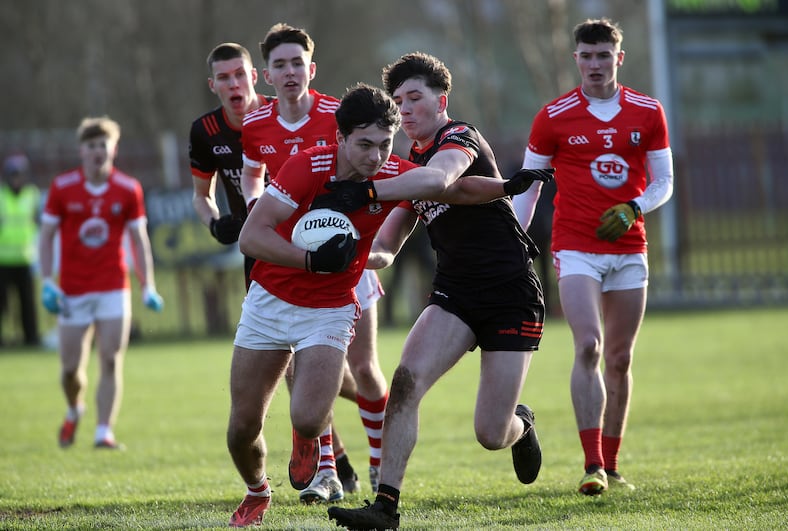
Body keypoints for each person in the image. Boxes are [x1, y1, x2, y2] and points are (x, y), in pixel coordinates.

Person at [227, 82, 535, 527]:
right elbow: (250, 238)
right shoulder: (306, 168)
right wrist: (310, 259)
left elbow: (456, 191)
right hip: (269, 301)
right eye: (364, 145)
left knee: (311, 419)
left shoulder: (392, 173)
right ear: (340, 139)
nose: (375, 157)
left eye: (384, 145)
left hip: (330, 308)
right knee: (242, 428)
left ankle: (307, 438)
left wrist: (507, 185)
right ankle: (257, 492)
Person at [327, 52, 551, 531]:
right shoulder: (408, 169)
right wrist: (338, 257)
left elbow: (441, 179)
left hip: (511, 291)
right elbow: (386, 247)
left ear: (441, 101)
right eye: (399, 101)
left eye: (414, 98)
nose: (405, 110)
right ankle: (385, 506)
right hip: (454, 294)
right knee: (405, 382)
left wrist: (369, 191)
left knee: (491, 434)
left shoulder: (457, 138)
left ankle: (522, 423)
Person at [511, 18, 674, 496]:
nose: (596, 64)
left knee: (620, 359)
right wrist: (513, 241)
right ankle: (592, 464)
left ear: (618, 58)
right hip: (575, 247)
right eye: (587, 55)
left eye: (604, 55)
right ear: (575, 59)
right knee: (589, 346)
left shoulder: (648, 112)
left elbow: (664, 182)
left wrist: (633, 207)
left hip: (629, 249)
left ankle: (614, 461)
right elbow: (527, 189)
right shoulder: (554, 116)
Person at [239, 22, 381, 503]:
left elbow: (381, 166)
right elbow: (253, 176)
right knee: (308, 373)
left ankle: (381, 464)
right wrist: (262, 213)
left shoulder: (339, 115)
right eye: (279, 64)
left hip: (349, 261)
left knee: (362, 371)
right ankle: (328, 472)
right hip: (294, 262)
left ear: (311, 68)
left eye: (297, 62)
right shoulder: (255, 124)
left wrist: (381, 242)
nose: (290, 71)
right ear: (267, 75)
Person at [38, 116, 164, 450]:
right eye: (91, 145)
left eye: (103, 144)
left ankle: (103, 431)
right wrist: (48, 281)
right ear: (81, 151)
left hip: (113, 288)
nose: (97, 151)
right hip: (73, 291)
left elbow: (139, 240)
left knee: (110, 359)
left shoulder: (128, 188)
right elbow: (47, 234)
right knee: (70, 371)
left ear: (114, 148)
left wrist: (147, 284)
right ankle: (73, 408)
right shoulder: (63, 188)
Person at [190, 42, 274, 288]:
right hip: (255, 242)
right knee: (262, 323)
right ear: (212, 85)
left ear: (254, 77)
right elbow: (201, 195)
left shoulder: (280, 113)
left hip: (300, 232)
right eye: (223, 78)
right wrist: (215, 224)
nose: (234, 84)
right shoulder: (205, 130)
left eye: (240, 74)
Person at [0, 153, 41, 347]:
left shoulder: (32, 195)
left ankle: (31, 338)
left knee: (28, 304)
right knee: (2, 305)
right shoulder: (1, 196)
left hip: (25, 257)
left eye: (19, 175)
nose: (16, 179)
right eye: (13, 175)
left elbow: (37, 222)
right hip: (3, 259)